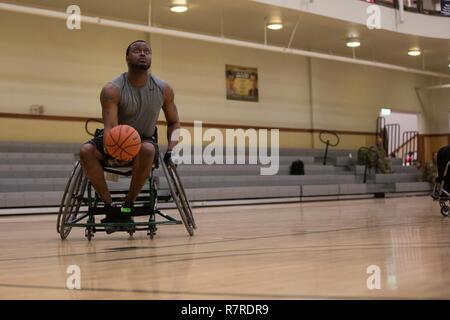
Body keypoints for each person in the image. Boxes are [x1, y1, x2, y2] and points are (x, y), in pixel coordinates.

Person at [79, 40, 180, 227]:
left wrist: (171, 150)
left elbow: (174, 123)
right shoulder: (112, 89)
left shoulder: (163, 89)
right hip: (115, 138)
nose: (142, 53)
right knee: (86, 151)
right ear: (127, 57)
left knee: (148, 149)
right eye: (137, 50)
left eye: (147, 51)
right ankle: (109, 205)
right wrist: (116, 151)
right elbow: (111, 126)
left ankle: (128, 205)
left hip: (144, 140)